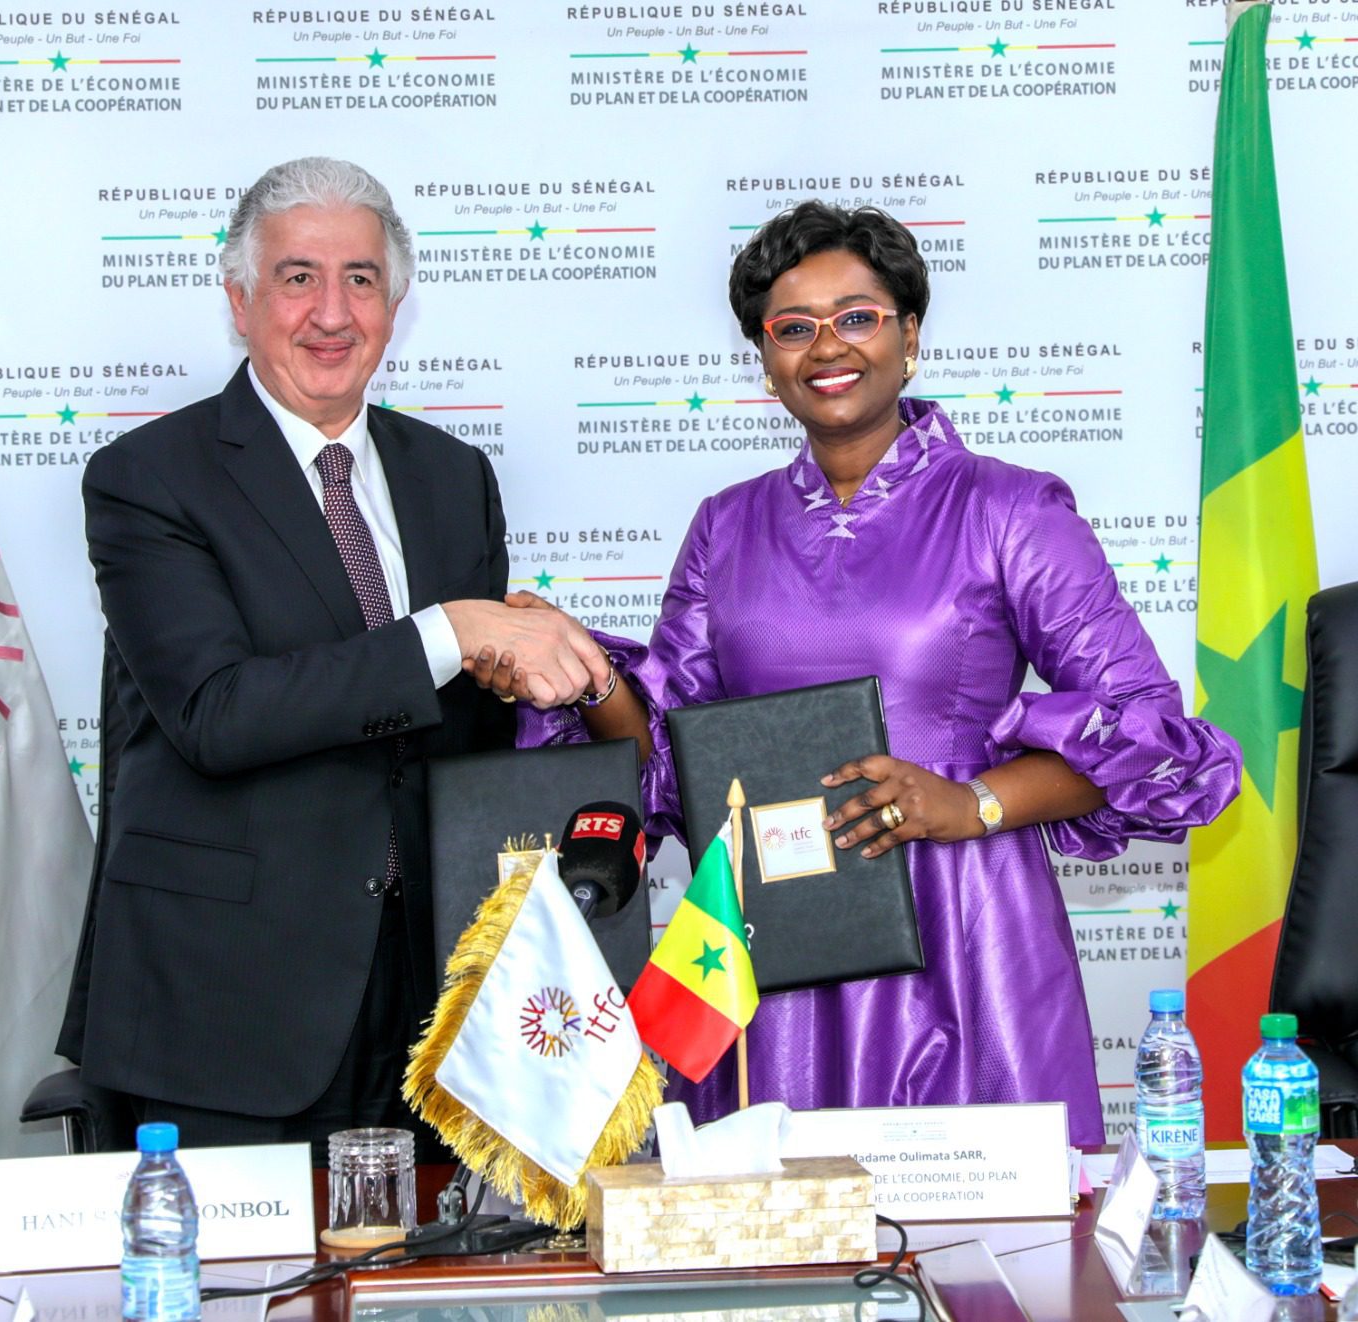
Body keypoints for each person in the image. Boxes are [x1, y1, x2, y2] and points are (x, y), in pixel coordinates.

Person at [477, 202, 1241, 1147]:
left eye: (858, 317)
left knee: (987, 1224)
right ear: (765, 359)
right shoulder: (726, 525)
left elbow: (1154, 739)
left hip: (965, 927)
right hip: (775, 940)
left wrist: (972, 803)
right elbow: (671, 766)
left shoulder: (1009, 510)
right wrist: (587, 676)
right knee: (777, 1216)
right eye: (793, 327)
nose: (827, 346)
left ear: (909, 336)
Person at [56, 157, 610, 1156]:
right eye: (296, 277)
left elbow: (461, 733)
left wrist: (520, 670)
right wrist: (451, 632)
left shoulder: (455, 477)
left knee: (434, 1263)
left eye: (360, 279)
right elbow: (216, 713)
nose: (331, 312)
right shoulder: (148, 477)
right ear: (239, 302)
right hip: (228, 1003)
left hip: (435, 1003)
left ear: (394, 306)